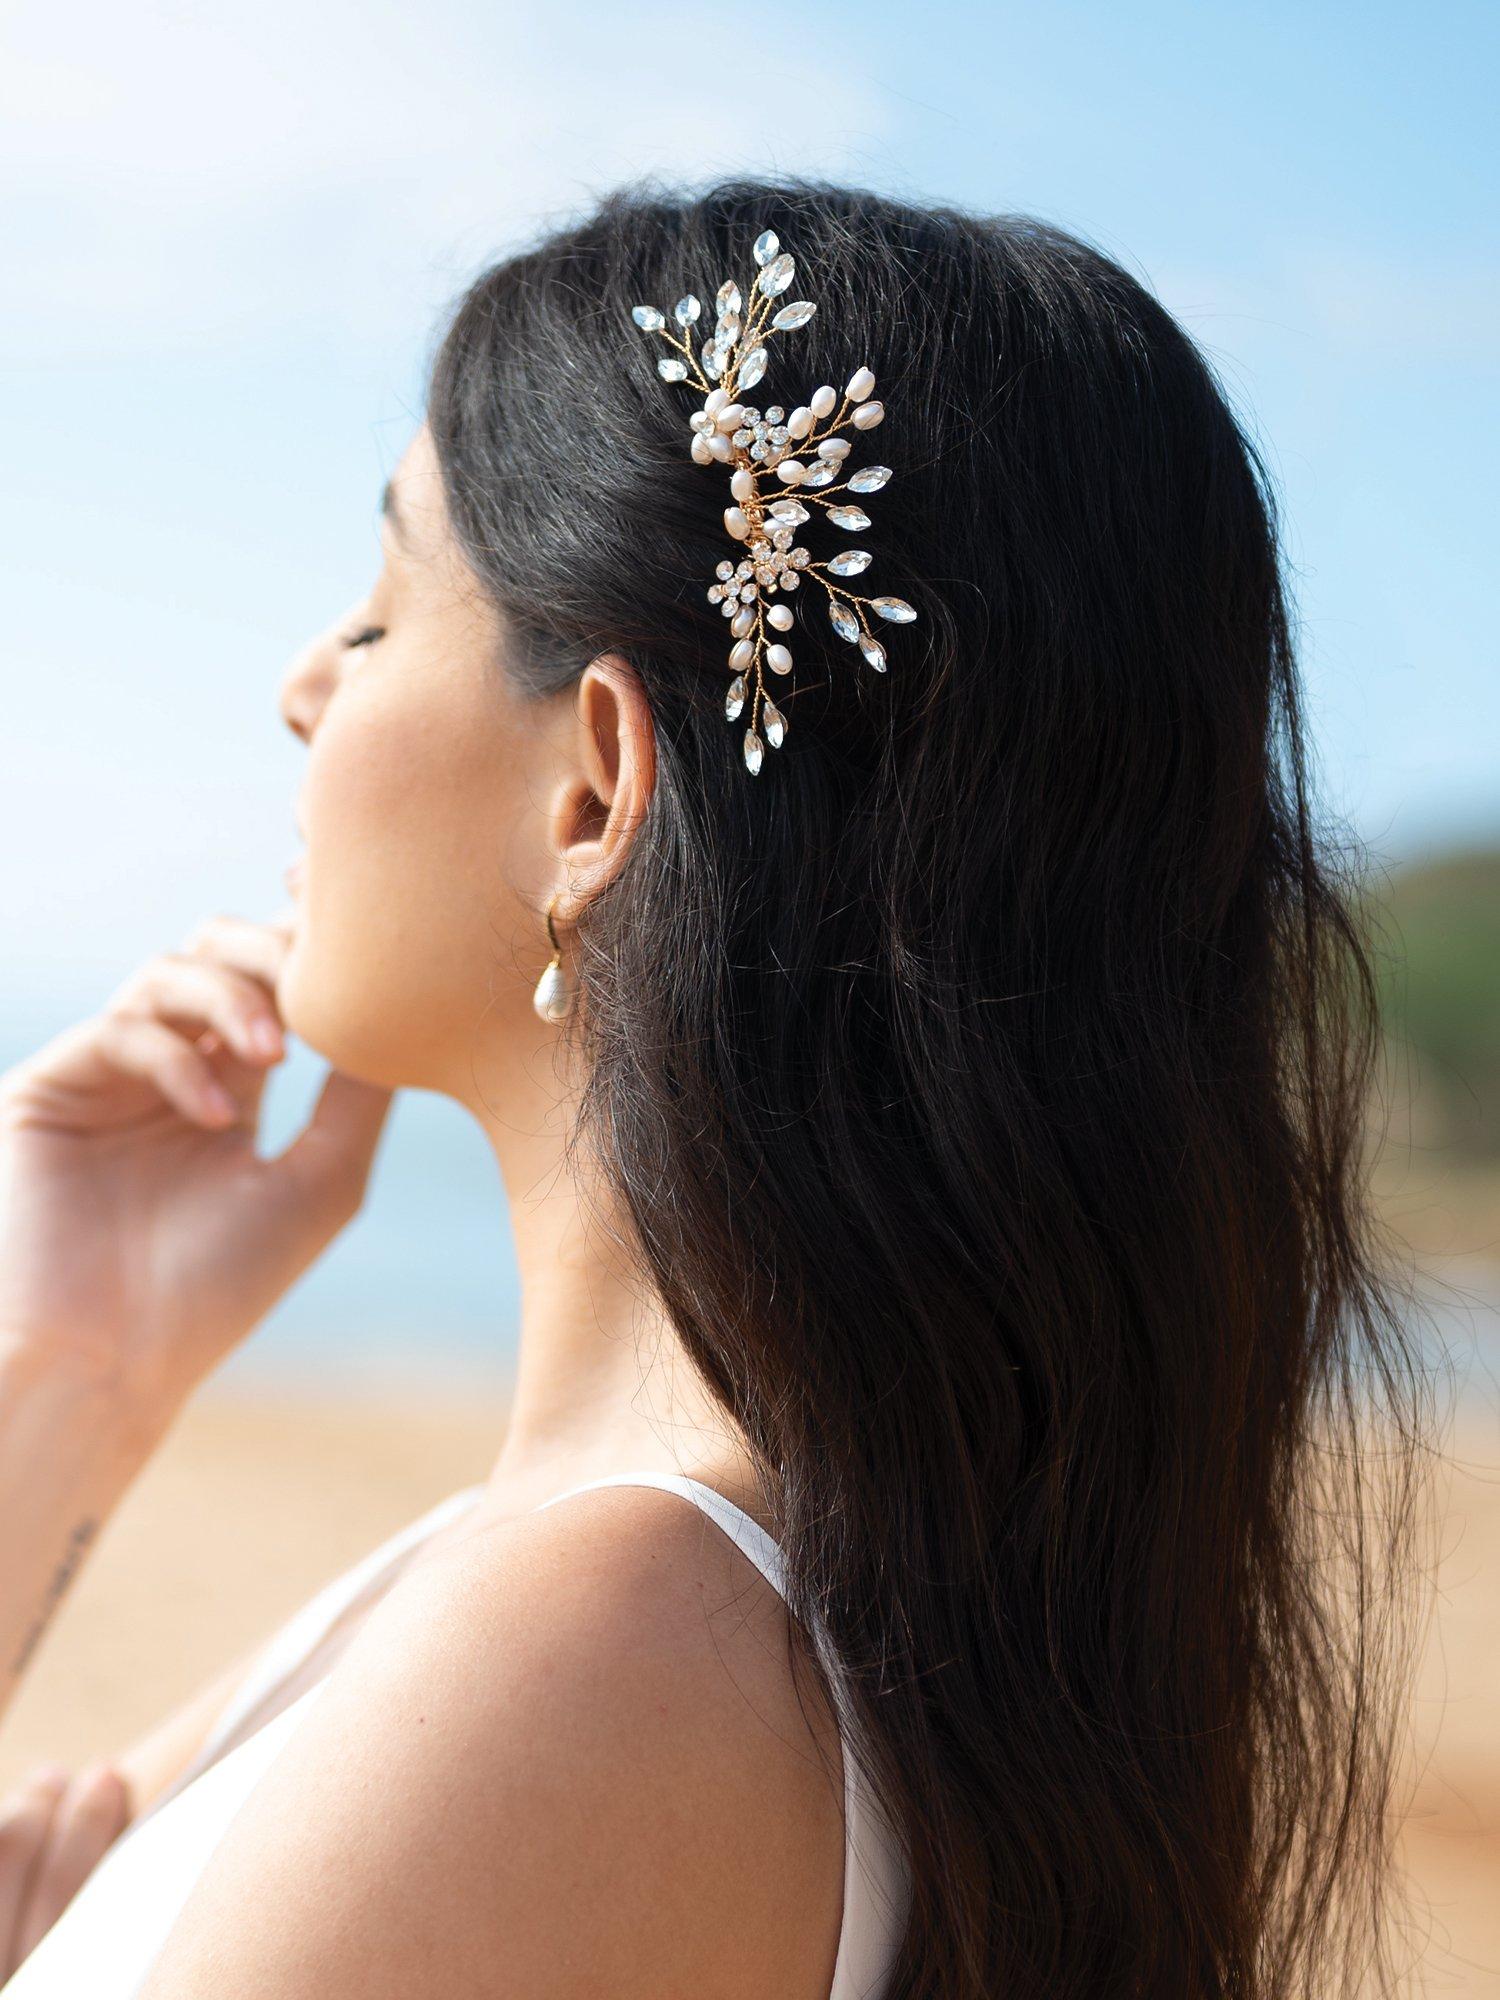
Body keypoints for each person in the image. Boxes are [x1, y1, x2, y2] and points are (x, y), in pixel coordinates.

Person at [0, 176, 1432, 2000]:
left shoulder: (591, 1646)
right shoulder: (615, 1586)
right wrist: (87, 1361)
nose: (303, 684)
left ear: (594, 788)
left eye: (375, 611)